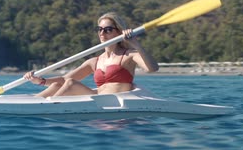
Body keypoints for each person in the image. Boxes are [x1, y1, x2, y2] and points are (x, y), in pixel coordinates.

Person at [23, 12, 159, 97]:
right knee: (57, 85)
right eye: (100, 29)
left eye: (108, 29)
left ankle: (48, 106)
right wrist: (41, 81)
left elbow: (152, 68)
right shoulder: (94, 61)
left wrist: (136, 44)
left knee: (70, 83)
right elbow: (65, 79)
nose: (102, 33)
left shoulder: (129, 55)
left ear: (118, 32)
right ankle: (33, 103)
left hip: (114, 101)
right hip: (96, 98)